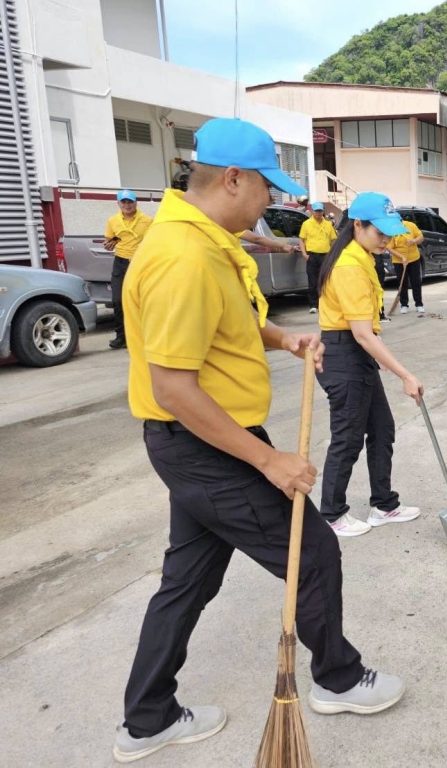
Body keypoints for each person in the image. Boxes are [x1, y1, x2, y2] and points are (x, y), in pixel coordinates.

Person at [112, 118, 404, 764]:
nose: (271, 199)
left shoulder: (207, 241)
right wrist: (269, 460)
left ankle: (146, 718)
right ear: (233, 179)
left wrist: (283, 338)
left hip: (202, 441)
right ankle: (337, 678)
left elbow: (232, 321)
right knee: (316, 553)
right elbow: (174, 389)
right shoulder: (182, 257)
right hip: (206, 444)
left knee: (188, 579)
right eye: (266, 186)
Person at [316, 192, 424, 537]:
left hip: (355, 355)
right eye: (380, 233)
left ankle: (383, 505)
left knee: (381, 429)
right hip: (344, 355)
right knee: (347, 438)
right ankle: (331, 515)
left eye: (389, 234)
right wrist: (405, 374)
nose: (386, 240)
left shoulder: (360, 256)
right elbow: (362, 334)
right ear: (358, 225)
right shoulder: (349, 266)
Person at [103, 190, 152, 349]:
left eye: (130, 201)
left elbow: (153, 241)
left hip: (140, 262)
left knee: (142, 300)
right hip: (120, 262)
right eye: (123, 202)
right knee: (117, 300)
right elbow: (109, 240)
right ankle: (121, 337)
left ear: (136, 203)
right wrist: (110, 243)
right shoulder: (113, 221)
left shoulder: (147, 221)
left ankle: (143, 336)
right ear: (118, 204)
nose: (127, 205)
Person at [299, 202, 337, 314]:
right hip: (312, 255)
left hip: (325, 256)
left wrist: (332, 254)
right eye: (316, 211)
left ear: (323, 211)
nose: (319, 213)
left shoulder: (328, 224)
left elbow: (333, 240)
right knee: (312, 281)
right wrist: (304, 254)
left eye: (320, 211)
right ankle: (313, 305)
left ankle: (324, 304)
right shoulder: (306, 224)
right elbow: (301, 240)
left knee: (325, 280)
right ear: (312, 211)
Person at [390, 215, 426, 315]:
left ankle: (419, 304)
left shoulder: (410, 225)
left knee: (416, 281)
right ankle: (404, 305)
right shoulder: (391, 230)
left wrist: (414, 241)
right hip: (399, 261)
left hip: (414, 258)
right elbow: (389, 247)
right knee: (402, 283)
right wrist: (401, 257)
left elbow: (421, 237)